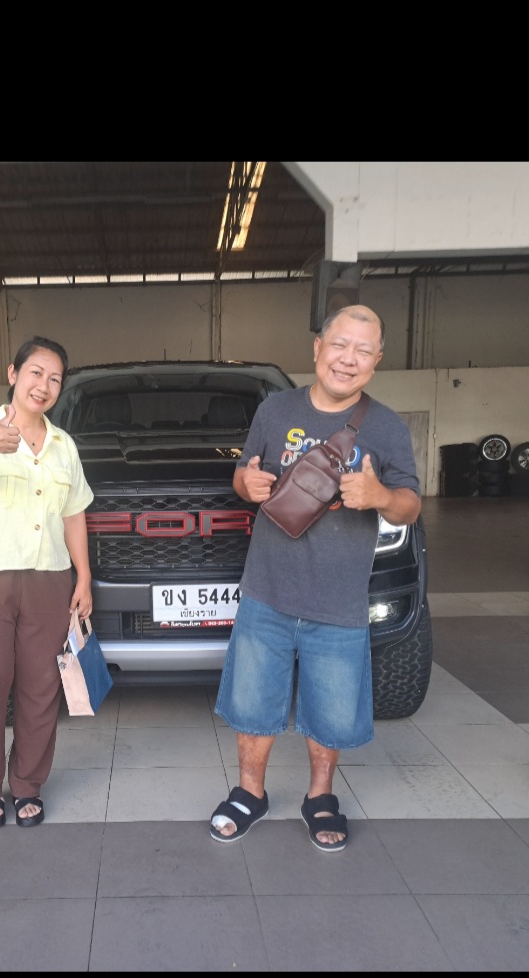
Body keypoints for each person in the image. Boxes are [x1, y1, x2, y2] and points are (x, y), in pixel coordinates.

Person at [208, 304, 421, 852]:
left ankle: (320, 796)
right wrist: (247, 483)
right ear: (318, 348)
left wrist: (379, 496)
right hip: (268, 589)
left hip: (339, 598)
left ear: (376, 360)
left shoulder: (387, 426)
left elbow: (410, 505)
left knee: (331, 706)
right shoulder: (275, 410)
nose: (348, 359)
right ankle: (249, 792)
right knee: (253, 701)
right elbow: (244, 472)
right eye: (340, 345)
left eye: (363, 350)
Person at [0, 337, 94, 829]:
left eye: (55, 378)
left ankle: (27, 783)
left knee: (40, 688)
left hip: (49, 580)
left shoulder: (64, 446)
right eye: (36, 373)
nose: (44, 385)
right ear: (13, 374)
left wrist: (84, 576)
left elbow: (74, 514)